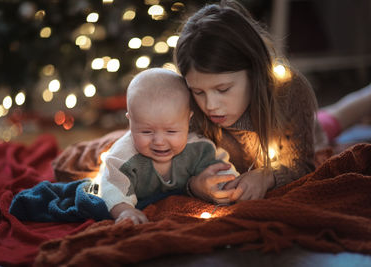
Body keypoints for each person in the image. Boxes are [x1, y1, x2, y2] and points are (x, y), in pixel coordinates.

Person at [174, 0, 322, 204]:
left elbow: (303, 164)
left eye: (223, 89)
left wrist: (268, 176)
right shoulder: (188, 105)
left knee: (335, 120)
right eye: (198, 91)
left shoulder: (288, 92)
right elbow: (167, 168)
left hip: (310, 130)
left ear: (254, 72)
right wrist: (193, 185)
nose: (210, 105)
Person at [89, 68, 239, 225]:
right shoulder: (123, 157)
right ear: (130, 121)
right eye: (146, 131)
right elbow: (112, 187)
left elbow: (220, 168)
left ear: (188, 120)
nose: (159, 141)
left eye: (171, 131)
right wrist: (126, 210)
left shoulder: (199, 147)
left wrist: (229, 186)